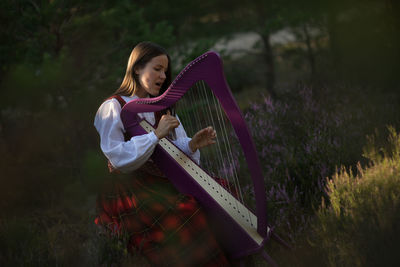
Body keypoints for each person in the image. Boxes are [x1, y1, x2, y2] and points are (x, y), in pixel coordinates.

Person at [94, 41, 230, 266]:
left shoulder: (160, 106)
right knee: (187, 212)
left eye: (165, 71)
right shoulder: (113, 106)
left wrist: (192, 145)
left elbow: (173, 148)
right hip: (129, 188)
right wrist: (155, 135)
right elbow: (116, 155)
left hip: (160, 181)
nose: (163, 76)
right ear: (137, 68)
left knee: (223, 191)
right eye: (157, 69)